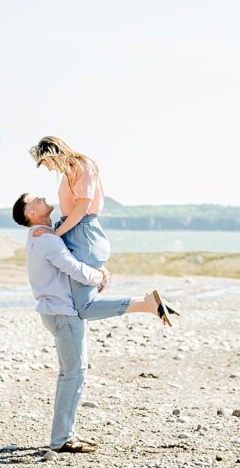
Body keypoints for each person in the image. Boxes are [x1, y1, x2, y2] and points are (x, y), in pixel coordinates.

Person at [14, 192, 173, 454]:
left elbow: (72, 265)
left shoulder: (42, 235)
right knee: (74, 374)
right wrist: (97, 274)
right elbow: (72, 268)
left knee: (70, 374)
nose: (42, 197)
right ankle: (62, 439)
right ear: (30, 214)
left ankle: (64, 435)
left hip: (58, 311)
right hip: (62, 313)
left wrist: (98, 273)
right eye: (35, 199)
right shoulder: (47, 240)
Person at [30, 136, 177, 326]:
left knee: (85, 307)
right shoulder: (71, 171)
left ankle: (146, 304)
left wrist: (56, 235)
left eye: (46, 163)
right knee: (78, 302)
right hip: (77, 233)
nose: (49, 168)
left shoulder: (83, 165)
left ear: (52, 154)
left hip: (83, 234)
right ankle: (145, 302)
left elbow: (82, 208)